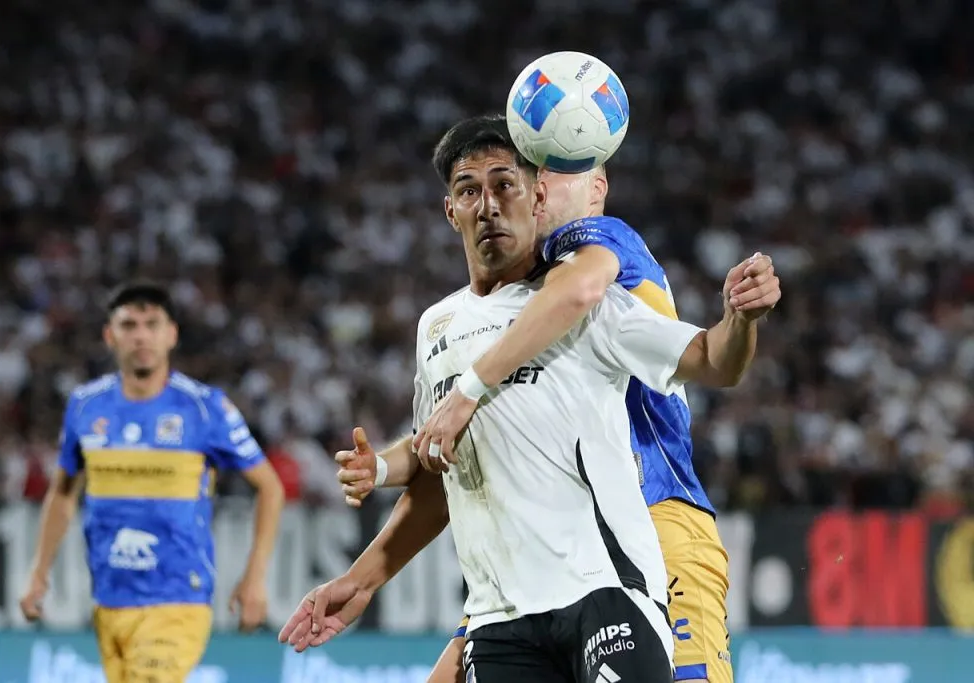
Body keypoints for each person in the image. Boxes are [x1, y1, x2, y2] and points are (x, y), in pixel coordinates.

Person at [279, 115, 781, 683]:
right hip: (503, 612)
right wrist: (367, 553)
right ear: (451, 211)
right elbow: (441, 471)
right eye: (470, 191)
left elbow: (713, 360)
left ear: (536, 197)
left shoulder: (578, 292)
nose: (488, 205)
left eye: (504, 185)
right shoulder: (436, 327)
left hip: (606, 586)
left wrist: (740, 320)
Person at [409, 163, 746, 683]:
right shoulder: (499, 315)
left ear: (597, 189)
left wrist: (469, 389)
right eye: (534, 172)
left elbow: (585, 292)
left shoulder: (600, 247)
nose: (541, 188)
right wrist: (362, 580)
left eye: (561, 172)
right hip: (546, 553)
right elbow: (443, 463)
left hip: (655, 523)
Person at [20, 281, 286, 683]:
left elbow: (270, 486)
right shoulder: (85, 406)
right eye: (129, 325)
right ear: (110, 336)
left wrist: (255, 577)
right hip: (109, 599)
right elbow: (62, 492)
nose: (141, 335)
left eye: (151, 324)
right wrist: (39, 571)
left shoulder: (204, 407)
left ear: (171, 334)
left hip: (178, 598)